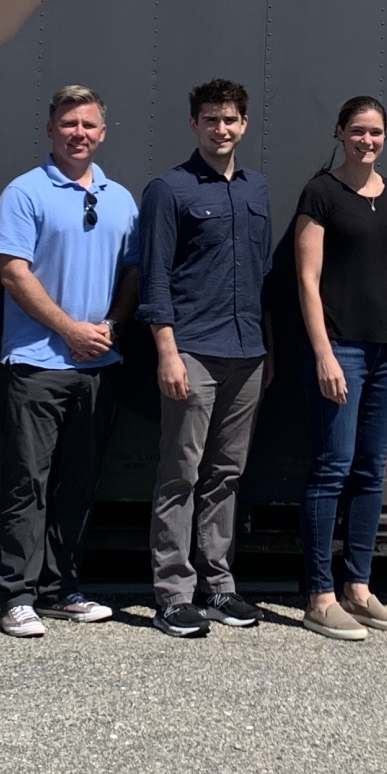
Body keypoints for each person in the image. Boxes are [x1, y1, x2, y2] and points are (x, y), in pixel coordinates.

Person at [0, 85, 140, 638]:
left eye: (90, 125)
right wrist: (69, 329)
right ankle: (15, 595)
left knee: (79, 483)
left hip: (99, 365)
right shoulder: (24, 193)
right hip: (36, 364)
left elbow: (133, 273)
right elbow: (12, 273)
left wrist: (110, 328)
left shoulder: (120, 198)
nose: (80, 132)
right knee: (28, 481)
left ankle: (59, 588)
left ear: (102, 133)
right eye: (69, 123)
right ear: (51, 129)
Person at [138, 79, 273, 639]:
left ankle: (219, 586)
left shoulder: (256, 190)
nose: (223, 129)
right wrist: (167, 352)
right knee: (181, 473)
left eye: (232, 119)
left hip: (248, 353)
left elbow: (265, 277)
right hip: (192, 351)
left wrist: (272, 350)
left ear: (245, 125)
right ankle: (173, 594)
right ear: (194, 124)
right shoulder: (168, 190)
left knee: (228, 474)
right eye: (212, 119)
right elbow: (155, 277)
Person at [294, 95, 387, 642]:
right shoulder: (321, 194)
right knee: (332, 468)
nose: (366, 141)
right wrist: (323, 352)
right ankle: (320, 596)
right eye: (357, 131)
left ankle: (359, 588)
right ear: (339, 133)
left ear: (385, 137)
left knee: (372, 471)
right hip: (342, 349)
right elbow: (306, 280)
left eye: (375, 133)